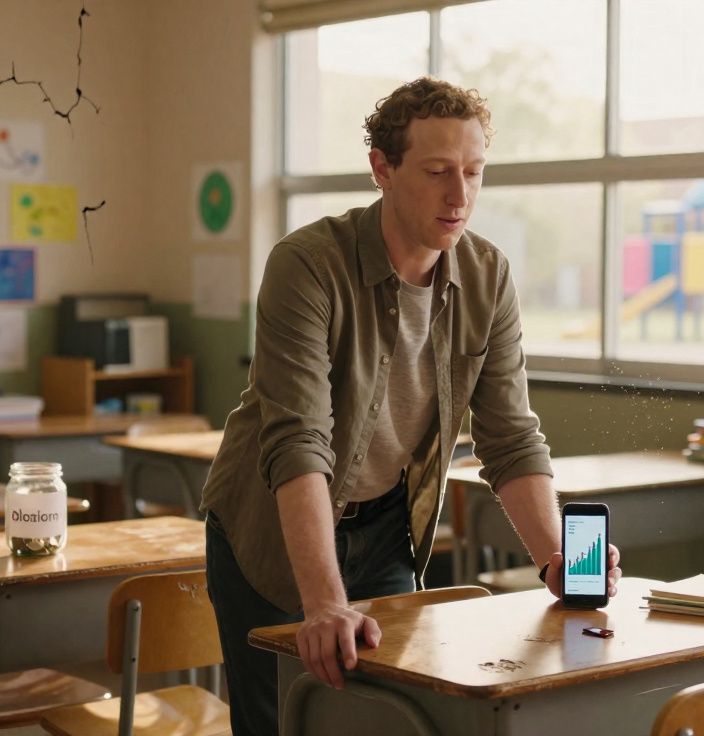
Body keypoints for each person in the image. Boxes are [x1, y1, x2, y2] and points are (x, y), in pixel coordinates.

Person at [200, 76, 623, 736]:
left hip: (388, 527)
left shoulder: (488, 275)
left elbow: (510, 436)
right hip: (273, 532)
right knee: (284, 722)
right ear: (382, 169)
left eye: (474, 172)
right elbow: (299, 442)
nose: (460, 196)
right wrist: (324, 604)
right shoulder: (307, 266)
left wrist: (556, 561)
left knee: (392, 718)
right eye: (437, 172)